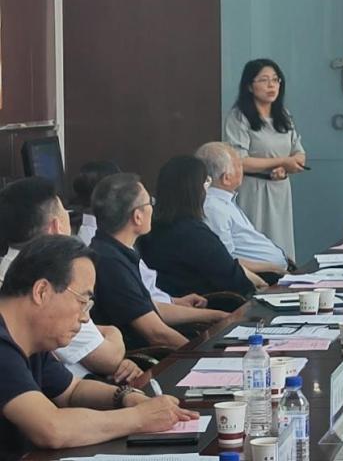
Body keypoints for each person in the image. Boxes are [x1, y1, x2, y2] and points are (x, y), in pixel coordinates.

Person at [0, 235, 196, 456]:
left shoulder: (29, 342)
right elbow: (51, 428)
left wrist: (127, 397)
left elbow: (72, 390)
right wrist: (140, 418)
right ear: (41, 291)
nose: (85, 318)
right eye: (82, 301)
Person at [0, 178, 140, 384]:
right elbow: (108, 360)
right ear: (56, 227)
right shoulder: (53, 277)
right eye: (64, 211)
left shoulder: (11, 269)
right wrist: (113, 331)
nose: (83, 317)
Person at [90, 173, 224, 350]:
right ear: (137, 216)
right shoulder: (110, 264)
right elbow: (157, 334)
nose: (153, 208)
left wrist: (215, 316)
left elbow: (149, 309)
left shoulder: (115, 249)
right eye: (150, 203)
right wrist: (204, 355)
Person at [72, 161, 210, 315]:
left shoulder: (118, 245)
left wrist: (174, 301)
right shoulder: (108, 255)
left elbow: (147, 297)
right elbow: (147, 318)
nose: (153, 207)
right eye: (149, 202)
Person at [139, 156, 262, 298]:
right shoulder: (194, 235)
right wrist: (262, 285)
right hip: (210, 304)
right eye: (206, 182)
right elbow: (235, 281)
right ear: (197, 190)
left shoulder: (150, 228)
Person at [224, 58, 306, 257]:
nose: (271, 85)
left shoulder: (284, 115)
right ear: (249, 86)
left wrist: (285, 168)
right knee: (256, 245)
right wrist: (282, 161)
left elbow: (299, 154)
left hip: (280, 189)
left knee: (282, 245)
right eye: (264, 80)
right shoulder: (239, 117)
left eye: (276, 80)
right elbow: (239, 160)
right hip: (253, 190)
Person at [195, 142, 290, 278]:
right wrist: (273, 268)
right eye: (238, 165)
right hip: (259, 278)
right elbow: (226, 261)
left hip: (274, 272)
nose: (242, 169)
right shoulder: (213, 208)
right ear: (226, 178)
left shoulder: (224, 202)